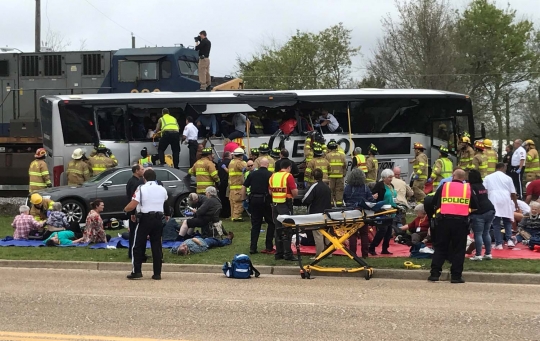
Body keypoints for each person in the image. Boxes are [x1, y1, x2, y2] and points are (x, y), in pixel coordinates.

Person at [428, 169, 478, 283]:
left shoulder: (444, 186)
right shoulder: (468, 188)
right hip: (461, 223)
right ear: (463, 178)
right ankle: (456, 276)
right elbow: (475, 205)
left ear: (453, 176)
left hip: (444, 221)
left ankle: (434, 274)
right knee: (459, 249)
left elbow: (434, 202)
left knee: (440, 248)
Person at [123, 170, 168, 280]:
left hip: (145, 219)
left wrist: (126, 210)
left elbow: (133, 204)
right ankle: (157, 273)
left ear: (144, 178)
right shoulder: (162, 189)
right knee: (156, 246)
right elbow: (165, 203)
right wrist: (167, 214)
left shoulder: (141, 188)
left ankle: (136, 271)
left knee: (137, 245)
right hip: (158, 219)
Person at [483, 162, 520, 249]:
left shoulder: (488, 177)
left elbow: (485, 191)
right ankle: (510, 240)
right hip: (505, 200)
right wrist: (516, 204)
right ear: (503, 167)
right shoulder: (508, 178)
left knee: (496, 223)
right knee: (507, 221)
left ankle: (499, 243)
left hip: (493, 199)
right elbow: (513, 193)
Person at [243, 158, 275, 254]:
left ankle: (253, 248)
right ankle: (269, 246)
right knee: (271, 223)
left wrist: (243, 199)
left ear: (259, 164)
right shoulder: (271, 175)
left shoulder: (252, 174)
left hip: (254, 200)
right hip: (265, 201)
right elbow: (272, 190)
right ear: (267, 165)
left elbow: (244, 186)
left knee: (256, 224)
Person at [343, 168, 377, 258]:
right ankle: (365, 254)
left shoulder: (348, 187)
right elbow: (371, 200)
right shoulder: (365, 187)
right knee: (364, 234)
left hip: (351, 213)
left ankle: (352, 254)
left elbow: (345, 198)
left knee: (352, 234)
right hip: (362, 213)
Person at [269, 159, 298, 261]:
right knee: (287, 229)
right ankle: (288, 254)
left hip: (275, 205)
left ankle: (278, 253)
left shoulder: (273, 176)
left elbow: (270, 191)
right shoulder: (288, 176)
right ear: (289, 167)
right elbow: (294, 192)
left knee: (278, 229)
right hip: (285, 205)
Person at [302, 168, 333, 257]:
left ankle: (319, 254)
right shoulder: (327, 187)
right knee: (327, 234)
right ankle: (329, 253)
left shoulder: (314, 186)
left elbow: (306, 199)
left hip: (316, 214)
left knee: (318, 234)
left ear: (313, 176)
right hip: (327, 213)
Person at [467, 169, 495, 261]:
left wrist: (472, 210)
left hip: (479, 212)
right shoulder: (481, 186)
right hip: (490, 209)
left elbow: (473, 200)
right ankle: (488, 253)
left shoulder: (471, 187)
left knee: (478, 234)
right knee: (486, 232)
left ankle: (478, 255)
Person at [368, 169, 398, 256]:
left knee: (388, 231)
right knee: (382, 230)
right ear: (384, 178)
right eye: (389, 177)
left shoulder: (391, 185)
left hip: (391, 210)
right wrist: (374, 197)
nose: (391, 179)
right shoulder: (379, 185)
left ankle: (385, 248)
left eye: (392, 177)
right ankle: (372, 247)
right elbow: (373, 197)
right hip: (382, 211)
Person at [326, 140, 347, 206]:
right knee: (339, 190)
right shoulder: (342, 155)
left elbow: (326, 166)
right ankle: (339, 204)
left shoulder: (328, 156)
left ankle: (331, 204)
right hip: (340, 176)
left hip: (331, 177)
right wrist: (344, 174)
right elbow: (345, 165)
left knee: (330, 190)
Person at [229, 148, 247, 221]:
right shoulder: (240, 163)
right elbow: (248, 168)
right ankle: (237, 217)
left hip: (232, 187)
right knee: (238, 203)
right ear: (241, 155)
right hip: (238, 186)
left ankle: (233, 216)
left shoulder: (231, 162)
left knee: (233, 203)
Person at [217, 151, 232, 218]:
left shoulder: (220, 163)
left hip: (221, 183)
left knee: (222, 198)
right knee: (228, 198)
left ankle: (223, 213)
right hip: (228, 183)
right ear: (229, 156)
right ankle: (228, 213)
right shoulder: (231, 162)